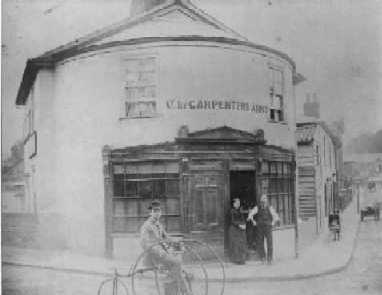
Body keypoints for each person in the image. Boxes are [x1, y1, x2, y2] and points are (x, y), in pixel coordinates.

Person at [140, 199, 191, 294]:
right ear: (150, 213)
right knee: (177, 263)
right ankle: (183, 291)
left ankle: (173, 287)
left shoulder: (159, 225)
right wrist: (158, 251)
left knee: (177, 267)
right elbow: (144, 243)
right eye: (155, 211)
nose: (157, 213)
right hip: (153, 256)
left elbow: (167, 238)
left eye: (159, 211)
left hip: (162, 254)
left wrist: (179, 241)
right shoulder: (146, 226)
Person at [247, 194, 279, 264]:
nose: (263, 202)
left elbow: (276, 217)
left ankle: (270, 259)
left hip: (268, 227)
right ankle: (263, 257)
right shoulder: (257, 208)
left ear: (267, 201)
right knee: (260, 243)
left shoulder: (270, 208)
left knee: (269, 243)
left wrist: (272, 223)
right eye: (262, 201)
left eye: (264, 200)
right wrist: (253, 221)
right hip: (260, 227)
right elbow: (250, 214)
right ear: (260, 201)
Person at [228, 198, 248, 264]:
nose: (238, 204)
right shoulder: (231, 211)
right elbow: (232, 221)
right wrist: (239, 225)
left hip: (240, 229)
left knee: (241, 244)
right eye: (237, 203)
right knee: (236, 244)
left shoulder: (240, 210)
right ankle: (237, 260)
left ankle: (242, 260)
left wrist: (244, 224)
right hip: (234, 229)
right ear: (234, 204)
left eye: (239, 203)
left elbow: (242, 219)